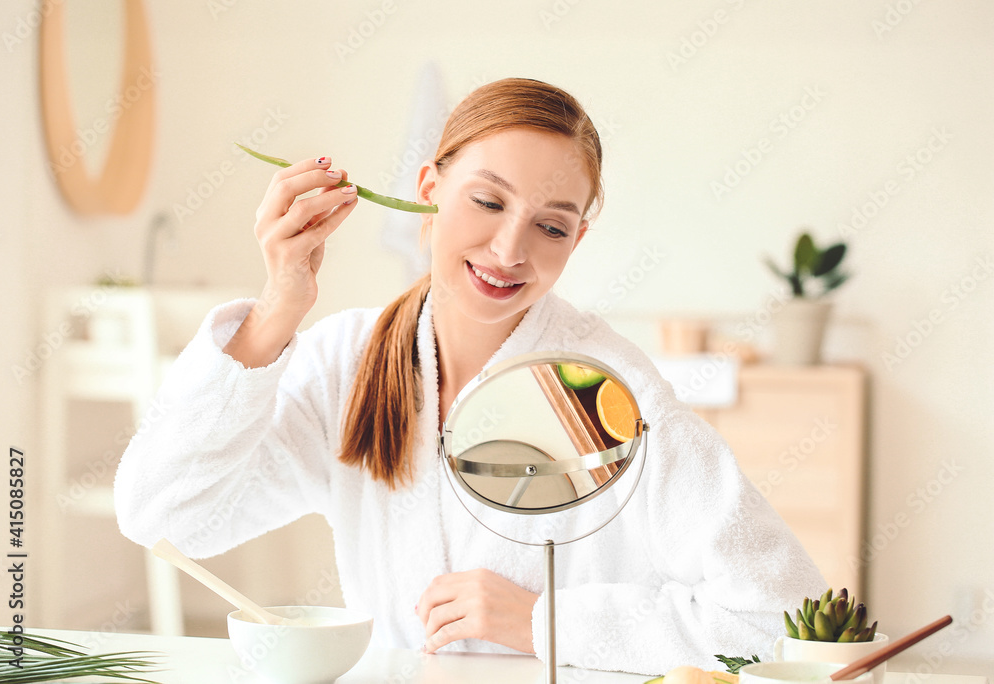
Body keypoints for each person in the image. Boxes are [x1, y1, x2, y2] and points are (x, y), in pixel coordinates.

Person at [114, 77, 825, 675]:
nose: (510, 249)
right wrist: (275, 314)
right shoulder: (347, 365)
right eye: (488, 202)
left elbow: (781, 620)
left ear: (578, 239)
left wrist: (547, 623)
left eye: (551, 227)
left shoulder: (609, 394)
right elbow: (165, 518)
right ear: (429, 188)